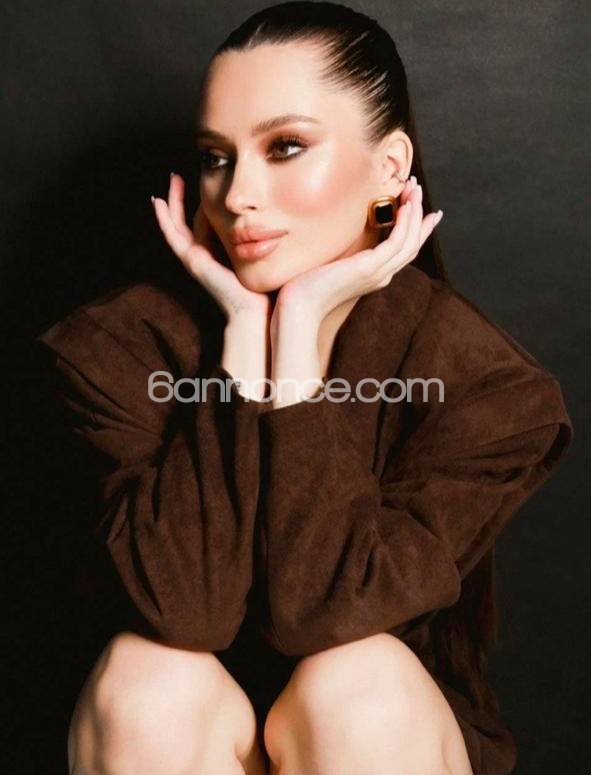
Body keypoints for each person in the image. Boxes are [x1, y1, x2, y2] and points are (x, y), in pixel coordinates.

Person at [35, 2, 573, 773]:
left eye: (285, 146)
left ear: (390, 167)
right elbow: (184, 607)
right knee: (148, 676)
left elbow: (321, 614)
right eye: (216, 157)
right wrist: (242, 343)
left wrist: (296, 348)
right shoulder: (117, 348)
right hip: (175, 737)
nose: (236, 195)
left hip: (382, 735)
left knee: (354, 682)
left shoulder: (486, 391)